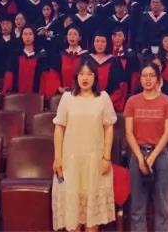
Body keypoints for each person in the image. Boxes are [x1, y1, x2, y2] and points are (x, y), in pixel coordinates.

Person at [52, 58, 117, 232]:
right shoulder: (67, 98)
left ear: (95, 77)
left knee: (91, 220)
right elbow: (59, 128)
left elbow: (109, 128)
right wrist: (57, 158)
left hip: (95, 161)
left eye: (89, 74)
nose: (85, 78)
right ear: (76, 77)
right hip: (70, 161)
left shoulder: (103, 98)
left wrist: (106, 157)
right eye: (81, 74)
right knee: (72, 217)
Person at [124, 62, 168, 232]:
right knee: (137, 207)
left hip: (160, 155)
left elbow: (167, 133)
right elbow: (128, 133)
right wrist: (141, 159)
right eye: (144, 76)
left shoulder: (167, 101)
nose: (148, 79)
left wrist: (152, 157)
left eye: (152, 76)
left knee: (162, 206)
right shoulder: (132, 101)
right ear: (140, 79)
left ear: (158, 79)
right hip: (137, 154)